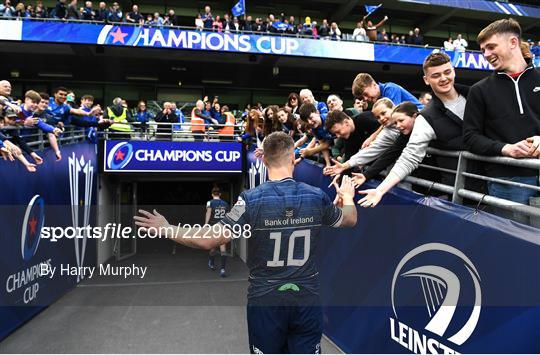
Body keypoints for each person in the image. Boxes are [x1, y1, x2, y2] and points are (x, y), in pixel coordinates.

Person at [134, 131, 357, 354]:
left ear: (264, 159)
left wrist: (167, 228)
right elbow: (349, 219)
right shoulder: (315, 196)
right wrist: (347, 196)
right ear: (292, 159)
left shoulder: (250, 199)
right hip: (307, 296)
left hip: (266, 299)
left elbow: (208, 240)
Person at [356, 52, 479, 208]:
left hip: (499, 177)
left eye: (447, 72)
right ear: (426, 80)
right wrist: (380, 190)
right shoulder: (426, 118)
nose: (443, 78)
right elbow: (408, 157)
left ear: (454, 71)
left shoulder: (477, 95)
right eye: (436, 75)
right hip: (466, 191)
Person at [463, 18, 540, 207]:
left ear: (513, 42)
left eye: (491, 47)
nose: (486, 54)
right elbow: (470, 137)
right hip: (508, 180)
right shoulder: (479, 90)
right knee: (517, 236)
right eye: (483, 50)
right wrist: (506, 149)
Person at [323, 98, 400, 176]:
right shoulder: (386, 133)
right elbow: (371, 150)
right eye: (378, 117)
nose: (338, 136)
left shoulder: (365, 119)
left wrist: (373, 136)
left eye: (338, 131)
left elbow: (385, 125)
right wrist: (341, 172)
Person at [351, 102, 418, 187]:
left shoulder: (428, 121)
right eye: (378, 117)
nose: (398, 126)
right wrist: (365, 174)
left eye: (401, 121)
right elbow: (390, 153)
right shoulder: (399, 134)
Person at [352, 73, 423, 110]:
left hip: (423, 117)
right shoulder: (381, 98)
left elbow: (393, 116)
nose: (365, 99)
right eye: (363, 97)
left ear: (374, 85)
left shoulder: (390, 88)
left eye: (365, 94)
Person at [205, 187, 230, 277]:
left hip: (214, 227)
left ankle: (211, 262)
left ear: (212, 194)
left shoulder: (209, 202)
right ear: (220, 194)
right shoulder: (225, 203)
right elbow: (227, 216)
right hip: (223, 227)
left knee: (213, 247)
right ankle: (223, 269)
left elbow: (208, 212)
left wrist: (206, 224)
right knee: (223, 248)